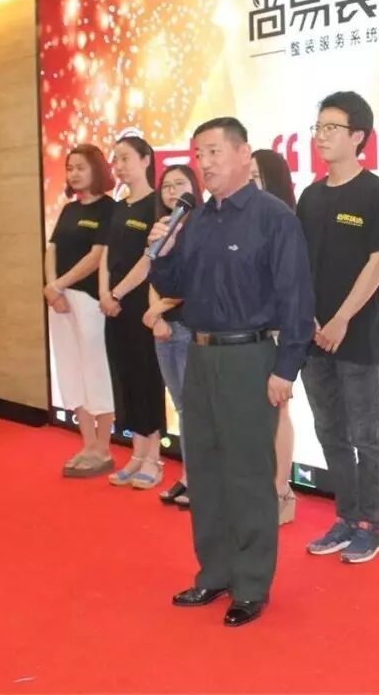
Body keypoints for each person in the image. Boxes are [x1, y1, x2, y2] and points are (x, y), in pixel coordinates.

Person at [148, 116, 314, 628]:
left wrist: (286, 368)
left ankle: (251, 584)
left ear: (244, 155)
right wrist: (163, 252)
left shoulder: (273, 218)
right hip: (200, 356)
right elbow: (175, 287)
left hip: (250, 357)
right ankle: (214, 572)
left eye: (215, 152)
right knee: (204, 469)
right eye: (199, 154)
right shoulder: (195, 220)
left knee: (246, 474)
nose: (205, 163)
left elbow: (296, 298)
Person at [297, 91, 379, 564]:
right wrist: (309, 316)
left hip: (356, 335)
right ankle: (345, 516)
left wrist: (341, 318)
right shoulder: (310, 196)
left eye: (331, 128)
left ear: (358, 136)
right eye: (318, 127)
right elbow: (300, 262)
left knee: (366, 435)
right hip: (312, 336)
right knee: (329, 431)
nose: (321, 136)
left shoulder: (377, 194)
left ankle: (371, 525)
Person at [99, 135, 167, 490]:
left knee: (146, 379)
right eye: (116, 160)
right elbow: (106, 255)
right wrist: (104, 293)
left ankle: (154, 458)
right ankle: (137, 455)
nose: (120, 166)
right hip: (114, 307)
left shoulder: (157, 205)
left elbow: (148, 259)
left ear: (145, 160)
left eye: (126, 158)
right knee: (124, 377)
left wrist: (118, 292)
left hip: (142, 305)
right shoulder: (118, 207)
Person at [45, 144, 117, 477]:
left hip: (88, 301)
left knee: (95, 370)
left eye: (81, 168)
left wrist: (59, 285)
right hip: (60, 302)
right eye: (70, 168)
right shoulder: (69, 209)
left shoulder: (109, 209)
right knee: (70, 369)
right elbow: (52, 249)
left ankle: (103, 447)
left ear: (97, 170)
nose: (74, 174)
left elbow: (96, 256)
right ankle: (87, 444)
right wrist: (52, 289)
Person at [145, 164, 200, 509]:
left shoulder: (199, 227)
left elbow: (192, 282)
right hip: (163, 326)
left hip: (188, 327)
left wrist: (158, 310)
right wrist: (156, 316)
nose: (171, 191)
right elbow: (154, 272)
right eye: (166, 186)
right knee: (181, 408)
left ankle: (200, 480)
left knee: (195, 409)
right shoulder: (162, 227)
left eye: (179, 184)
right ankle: (188, 476)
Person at [252, 148, 299, 525]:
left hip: (279, 329)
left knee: (278, 408)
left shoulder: (285, 220)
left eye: (256, 177)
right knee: (254, 412)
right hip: (246, 333)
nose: (249, 183)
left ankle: (281, 490)